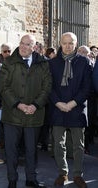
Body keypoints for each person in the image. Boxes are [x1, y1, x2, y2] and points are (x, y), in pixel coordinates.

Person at [0, 34, 51, 188]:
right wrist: (19, 105)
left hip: (34, 114)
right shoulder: (8, 62)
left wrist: (35, 105)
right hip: (12, 114)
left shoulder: (43, 64)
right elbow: (4, 87)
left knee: (31, 150)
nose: (22, 46)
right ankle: (12, 180)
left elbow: (47, 87)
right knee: (11, 151)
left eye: (27, 44)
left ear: (34, 47)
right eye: (21, 43)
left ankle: (31, 179)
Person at [49, 32, 91, 188]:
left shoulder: (84, 62)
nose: (67, 46)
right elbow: (49, 87)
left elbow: (87, 87)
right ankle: (63, 172)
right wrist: (58, 103)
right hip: (58, 107)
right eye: (65, 43)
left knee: (78, 145)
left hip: (77, 108)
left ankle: (78, 175)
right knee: (59, 144)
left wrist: (73, 103)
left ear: (76, 43)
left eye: (71, 43)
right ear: (60, 43)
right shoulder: (53, 63)